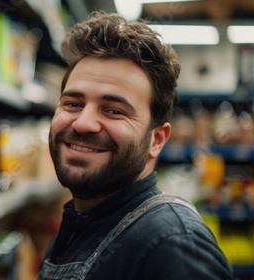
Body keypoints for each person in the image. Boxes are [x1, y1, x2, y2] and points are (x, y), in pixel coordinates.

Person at [38, 11, 236, 280]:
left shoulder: (173, 244)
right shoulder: (80, 221)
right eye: (73, 104)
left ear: (156, 140)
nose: (83, 124)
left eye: (114, 111)